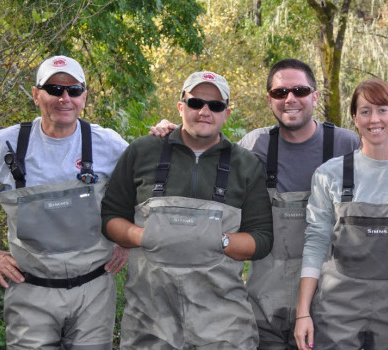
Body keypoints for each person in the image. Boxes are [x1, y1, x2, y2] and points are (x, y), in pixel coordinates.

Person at [151, 58, 388, 349]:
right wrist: (175, 136)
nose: (290, 99)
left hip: (330, 306)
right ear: (269, 100)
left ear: (315, 96)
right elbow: (207, 163)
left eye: (300, 91)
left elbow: (381, 162)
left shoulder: (346, 143)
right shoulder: (254, 145)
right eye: (281, 93)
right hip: (265, 302)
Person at [0, 55, 129, 349]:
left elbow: (142, 187)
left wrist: (126, 241)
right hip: (30, 290)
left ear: (84, 96)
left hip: (95, 291)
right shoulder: (6, 144)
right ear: (36, 95)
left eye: (73, 90)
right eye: (54, 89)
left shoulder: (107, 143)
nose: (64, 98)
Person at [101, 71, 273, 349]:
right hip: (149, 322)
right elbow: (110, 218)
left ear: (226, 113)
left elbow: (262, 239)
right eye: (196, 103)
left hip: (223, 325)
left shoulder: (246, 164)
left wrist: (220, 241)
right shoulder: (142, 151)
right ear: (181, 106)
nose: (205, 112)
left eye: (215, 106)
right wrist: (144, 236)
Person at [293, 78, 388, 350]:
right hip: (337, 313)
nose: (374, 119)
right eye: (365, 111)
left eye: (382, 109)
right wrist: (303, 312)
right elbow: (316, 243)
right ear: (354, 119)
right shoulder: (329, 174)